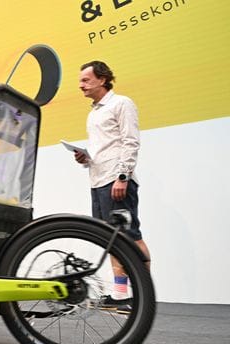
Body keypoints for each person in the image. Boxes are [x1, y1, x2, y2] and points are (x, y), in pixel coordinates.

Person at [75, 60, 151, 313]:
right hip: (97, 180)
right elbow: (104, 147)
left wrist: (123, 176)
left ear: (103, 79)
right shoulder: (93, 112)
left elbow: (130, 142)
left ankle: (143, 294)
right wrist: (85, 158)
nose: (81, 85)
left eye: (86, 80)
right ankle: (120, 295)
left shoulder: (122, 103)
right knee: (111, 238)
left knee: (131, 235)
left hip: (116, 181)